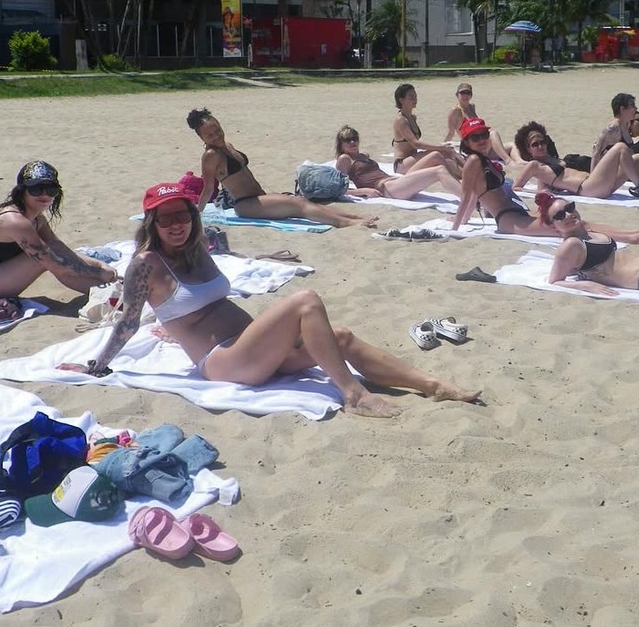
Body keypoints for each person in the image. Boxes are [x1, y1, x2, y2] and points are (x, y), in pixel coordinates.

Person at [59, 182, 482, 417]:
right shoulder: (146, 263)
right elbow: (128, 321)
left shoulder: (196, 246)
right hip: (225, 362)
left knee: (342, 337)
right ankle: (354, 394)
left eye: (183, 215)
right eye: (166, 218)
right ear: (152, 222)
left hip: (251, 348)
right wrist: (98, 363)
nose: (176, 225)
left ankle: (433, 386)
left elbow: (199, 305)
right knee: (305, 301)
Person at [451, 117, 639, 243]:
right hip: (508, 219)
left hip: (518, 211)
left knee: (573, 220)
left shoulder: (484, 160)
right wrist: (456, 228)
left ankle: (633, 233)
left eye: (483, 135)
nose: (481, 140)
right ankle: (632, 236)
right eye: (475, 138)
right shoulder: (473, 161)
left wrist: (467, 220)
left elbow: (475, 196)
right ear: (467, 142)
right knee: (570, 226)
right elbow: (467, 195)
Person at [0, 160, 117, 309]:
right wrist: (96, 273)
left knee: (51, 252)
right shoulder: (15, 221)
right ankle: (111, 295)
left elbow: (60, 248)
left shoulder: (37, 219)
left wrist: (100, 266)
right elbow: (53, 262)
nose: (45, 195)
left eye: (51, 189)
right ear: (22, 191)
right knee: (44, 260)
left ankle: (110, 292)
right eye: (37, 189)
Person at [186, 109, 378, 228]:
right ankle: (346, 222)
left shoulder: (226, 145)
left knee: (299, 201)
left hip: (258, 197)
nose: (216, 135)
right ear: (201, 138)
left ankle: (352, 216)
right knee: (298, 205)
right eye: (210, 135)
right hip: (245, 204)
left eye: (217, 129)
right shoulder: (210, 155)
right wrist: (197, 213)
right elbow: (208, 188)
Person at [512, 121, 639, 199]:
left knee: (637, 158)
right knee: (620, 148)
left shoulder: (551, 159)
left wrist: (547, 188)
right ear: (528, 149)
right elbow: (516, 187)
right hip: (587, 188)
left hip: (594, 183)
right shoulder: (534, 165)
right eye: (535, 144)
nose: (541, 146)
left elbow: (547, 183)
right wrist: (537, 193)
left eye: (543, 142)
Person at [334, 125, 470, 201]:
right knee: (439, 171)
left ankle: (466, 182)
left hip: (395, 182)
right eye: (347, 140)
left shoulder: (363, 156)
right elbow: (338, 189)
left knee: (435, 155)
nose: (352, 142)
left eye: (354, 138)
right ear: (341, 145)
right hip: (386, 188)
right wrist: (364, 191)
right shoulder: (344, 159)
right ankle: (471, 201)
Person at [392, 83, 465, 177]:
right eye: (411, 97)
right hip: (402, 164)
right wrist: (440, 147)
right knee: (441, 152)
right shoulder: (400, 120)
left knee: (449, 151)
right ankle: (466, 176)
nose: (415, 99)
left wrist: (442, 147)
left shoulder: (412, 117)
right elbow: (416, 144)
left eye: (415, 96)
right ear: (401, 100)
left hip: (412, 159)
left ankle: (469, 171)